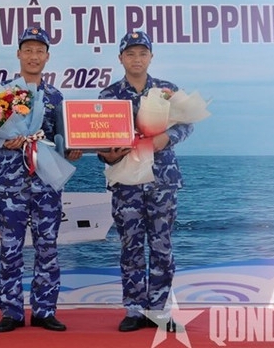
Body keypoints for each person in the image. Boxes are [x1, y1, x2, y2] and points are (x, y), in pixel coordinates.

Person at [0, 26, 81, 333]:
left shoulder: (56, 96)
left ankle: (45, 310)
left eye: (40, 51)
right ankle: (11, 311)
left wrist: (71, 151)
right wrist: (2, 141)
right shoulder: (2, 93)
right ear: (19, 54)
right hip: (10, 187)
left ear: (47, 56)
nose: (34, 56)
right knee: (10, 249)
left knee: (48, 247)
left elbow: (63, 140)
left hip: (45, 184)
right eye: (28, 50)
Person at [97, 30, 194, 332]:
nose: (136, 59)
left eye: (142, 53)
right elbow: (102, 144)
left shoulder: (167, 90)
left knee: (162, 247)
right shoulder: (108, 96)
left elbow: (188, 124)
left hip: (162, 180)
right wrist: (109, 156)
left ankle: (159, 310)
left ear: (151, 57)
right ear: (121, 58)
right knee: (131, 247)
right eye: (130, 54)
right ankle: (135, 308)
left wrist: (168, 137)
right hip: (126, 182)